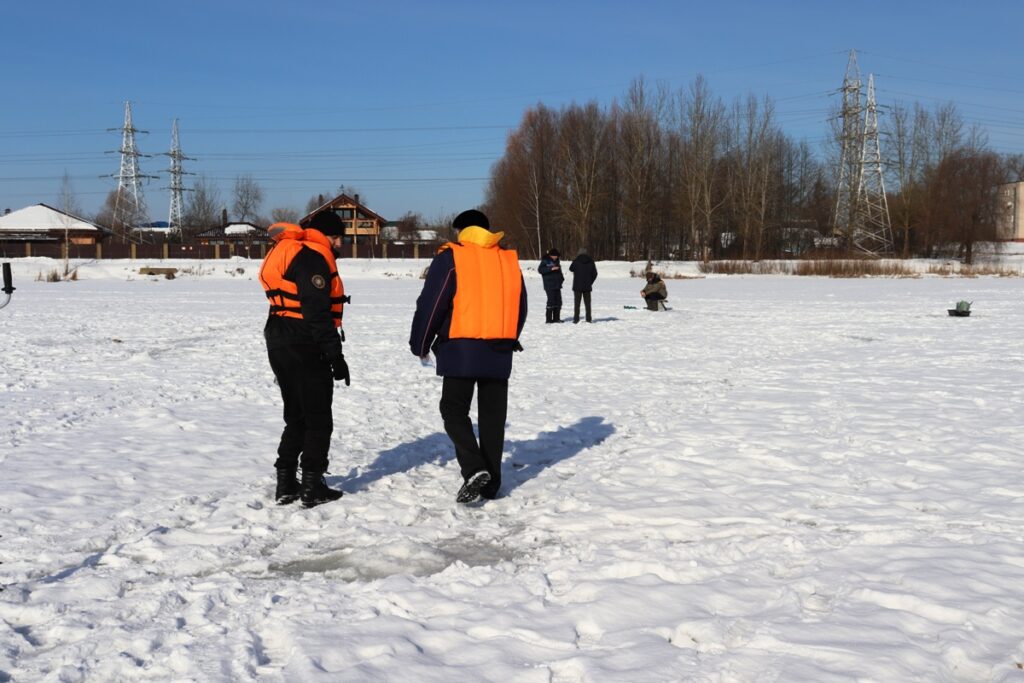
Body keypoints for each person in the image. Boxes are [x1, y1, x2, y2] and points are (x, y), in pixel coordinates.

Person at [409, 209, 527, 504]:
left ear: (461, 230)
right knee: (492, 418)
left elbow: (432, 303)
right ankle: (492, 484)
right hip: (500, 350)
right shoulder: (508, 259)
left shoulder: (452, 257)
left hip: (461, 350)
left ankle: (474, 468)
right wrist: (509, 337)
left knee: (453, 410)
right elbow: (520, 306)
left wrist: (420, 343)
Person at [259, 211, 350, 508]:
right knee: (318, 417)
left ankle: (286, 482)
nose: (340, 244)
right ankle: (312, 485)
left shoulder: (291, 250)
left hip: (279, 336)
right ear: (326, 236)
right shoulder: (312, 257)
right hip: (304, 340)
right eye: (337, 237)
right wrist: (335, 354)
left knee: (296, 415)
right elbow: (316, 312)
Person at [569, 247, 598, 323]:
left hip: (577, 286)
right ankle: (588, 319)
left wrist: (575, 261)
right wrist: (590, 282)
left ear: (579, 253)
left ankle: (576, 319)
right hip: (587, 286)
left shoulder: (576, 261)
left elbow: (570, 268)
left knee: (577, 304)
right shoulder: (591, 261)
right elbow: (595, 274)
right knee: (588, 304)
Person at [538, 248, 564, 323]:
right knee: (551, 301)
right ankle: (548, 319)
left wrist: (561, 279)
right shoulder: (545, 261)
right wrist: (551, 269)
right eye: (555, 256)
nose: (556, 257)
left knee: (558, 301)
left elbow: (559, 272)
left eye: (557, 256)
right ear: (551, 255)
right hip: (549, 285)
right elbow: (540, 270)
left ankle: (556, 318)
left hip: (557, 284)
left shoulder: (557, 261)